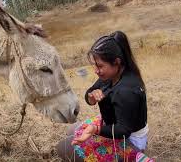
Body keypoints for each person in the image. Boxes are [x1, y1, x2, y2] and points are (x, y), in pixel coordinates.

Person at [56, 31, 153, 162]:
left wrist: (96, 129)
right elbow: (90, 91)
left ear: (117, 62)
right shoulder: (110, 75)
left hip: (128, 138)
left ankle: (133, 155)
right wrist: (91, 97)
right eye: (95, 65)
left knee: (63, 148)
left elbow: (123, 130)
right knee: (72, 131)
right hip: (112, 123)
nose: (96, 70)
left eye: (100, 66)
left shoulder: (127, 90)